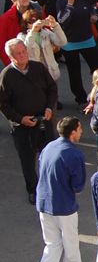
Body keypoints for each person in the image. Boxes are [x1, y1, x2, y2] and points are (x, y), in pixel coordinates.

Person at [28, 117, 92, 262]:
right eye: (80, 129)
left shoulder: (49, 147)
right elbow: (78, 187)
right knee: (70, 242)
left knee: (53, 243)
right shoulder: (75, 154)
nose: (81, 132)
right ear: (73, 132)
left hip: (44, 203)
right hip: (64, 206)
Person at [0, 38, 56, 202]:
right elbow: (3, 104)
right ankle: (33, 189)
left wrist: (48, 108)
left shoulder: (38, 67)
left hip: (44, 123)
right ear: (11, 57)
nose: (23, 55)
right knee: (27, 160)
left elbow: (52, 88)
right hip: (23, 127)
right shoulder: (6, 76)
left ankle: (50, 187)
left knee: (49, 157)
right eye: (18, 53)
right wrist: (20, 119)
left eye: (24, 51)